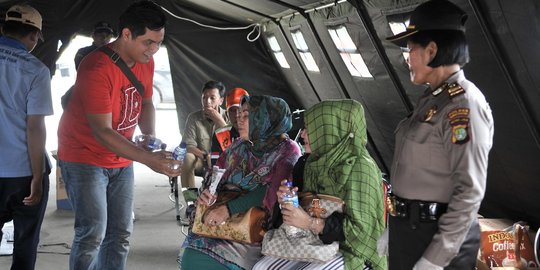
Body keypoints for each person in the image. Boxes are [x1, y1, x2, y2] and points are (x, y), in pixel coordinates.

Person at [57, 1, 181, 269]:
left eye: (158, 43)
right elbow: (102, 132)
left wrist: (149, 136)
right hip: (84, 156)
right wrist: (149, 160)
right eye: (148, 42)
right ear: (126, 34)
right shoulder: (96, 68)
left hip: (120, 156)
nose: (154, 50)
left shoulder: (146, 62)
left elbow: (147, 102)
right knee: (92, 234)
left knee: (121, 233)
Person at [385, 0, 494, 269]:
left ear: (432, 51)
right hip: (410, 231)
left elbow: (469, 192)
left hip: (437, 239)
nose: (407, 58)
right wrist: (396, 227)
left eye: (410, 50)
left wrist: (436, 259)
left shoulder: (462, 105)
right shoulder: (433, 100)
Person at [254, 99, 387, 270]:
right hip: (316, 242)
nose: (302, 134)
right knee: (262, 267)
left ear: (329, 129)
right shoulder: (309, 163)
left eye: (309, 129)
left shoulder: (360, 168)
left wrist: (311, 223)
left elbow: (362, 233)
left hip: (353, 252)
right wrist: (288, 200)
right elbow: (306, 209)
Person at [180, 95, 301, 270]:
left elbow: (274, 192)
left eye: (247, 115)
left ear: (265, 120)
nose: (239, 119)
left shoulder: (288, 152)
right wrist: (208, 193)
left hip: (257, 228)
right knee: (192, 255)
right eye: (239, 114)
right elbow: (216, 176)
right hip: (223, 220)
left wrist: (229, 209)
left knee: (208, 261)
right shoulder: (240, 146)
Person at [0, 5, 52, 270]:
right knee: (25, 241)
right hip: (20, 172)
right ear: (33, 36)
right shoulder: (36, 70)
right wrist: (37, 176)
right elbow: (35, 127)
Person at [181, 80, 228, 189]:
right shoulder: (193, 118)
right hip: (202, 160)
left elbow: (234, 144)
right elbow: (188, 146)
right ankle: (191, 201)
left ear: (221, 101)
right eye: (204, 97)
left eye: (212, 98)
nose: (207, 101)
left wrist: (219, 121)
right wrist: (206, 156)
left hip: (225, 161)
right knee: (187, 157)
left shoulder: (227, 116)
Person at [209, 87, 250, 163]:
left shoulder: (259, 133)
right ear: (227, 114)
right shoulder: (219, 135)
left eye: (240, 109)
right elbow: (215, 165)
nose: (236, 115)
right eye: (232, 111)